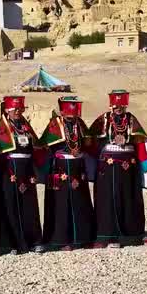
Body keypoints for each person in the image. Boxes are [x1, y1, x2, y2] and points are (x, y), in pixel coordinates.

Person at [88, 90, 147, 248]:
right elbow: (90, 143)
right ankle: (108, 237)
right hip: (107, 168)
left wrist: (146, 163)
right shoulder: (103, 120)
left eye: (121, 105)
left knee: (130, 198)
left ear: (125, 105)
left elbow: (139, 142)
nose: (118, 108)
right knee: (107, 200)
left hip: (129, 168)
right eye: (115, 105)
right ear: (111, 105)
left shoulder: (131, 120)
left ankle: (134, 235)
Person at [39, 96, 96, 251]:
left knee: (81, 202)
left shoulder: (80, 124)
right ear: (62, 110)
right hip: (60, 168)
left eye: (74, 107)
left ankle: (83, 239)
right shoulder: (55, 124)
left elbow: (89, 144)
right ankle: (61, 240)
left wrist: (84, 148)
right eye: (69, 108)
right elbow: (45, 146)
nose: (72, 111)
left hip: (78, 167)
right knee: (61, 204)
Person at [0, 95, 43, 254]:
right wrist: (6, 171)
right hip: (8, 171)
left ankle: (33, 241)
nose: (18, 112)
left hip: (26, 171)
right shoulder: (1, 129)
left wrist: (34, 170)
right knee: (9, 206)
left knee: (29, 206)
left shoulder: (26, 127)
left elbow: (35, 150)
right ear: (7, 110)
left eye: (20, 109)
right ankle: (9, 244)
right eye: (14, 109)